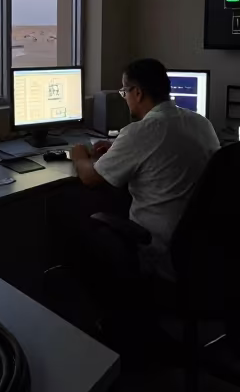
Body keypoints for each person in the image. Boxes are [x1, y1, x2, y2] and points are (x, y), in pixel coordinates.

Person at [69, 58, 219, 280]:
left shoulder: (142, 131)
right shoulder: (201, 123)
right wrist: (119, 149)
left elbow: (90, 178)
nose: (125, 99)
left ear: (137, 93)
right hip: (199, 247)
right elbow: (165, 153)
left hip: (156, 248)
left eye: (124, 92)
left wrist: (79, 155)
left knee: (71, 221)